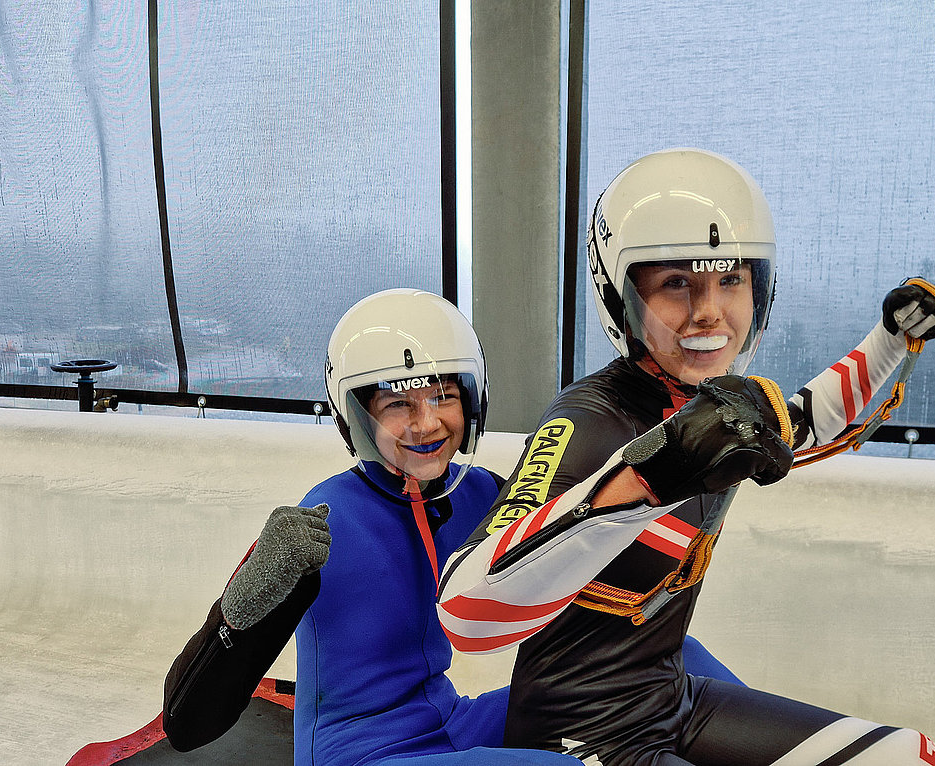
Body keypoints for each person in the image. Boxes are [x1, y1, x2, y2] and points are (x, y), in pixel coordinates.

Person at [437, 148, 935, 766]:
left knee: (909, 759)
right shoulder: (587, 419)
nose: (709, 311)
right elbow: (466, 614)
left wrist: (891, 340)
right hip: (577, 733)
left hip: (671, 699)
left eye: (731, 279)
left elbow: (808, 419)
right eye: (677, 283)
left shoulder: (718, 407)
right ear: (620, 297)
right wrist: (645, 477)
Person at [161, 288, 738, 766]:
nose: (426, 424)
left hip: (451, 722)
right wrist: (242, 603)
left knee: (669, 658)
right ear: (358, 416)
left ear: (472, 398)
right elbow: (187, 724)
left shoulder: (484, 494)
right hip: (360, 755)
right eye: (396, 404)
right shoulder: (323, 522)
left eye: (442, 397)